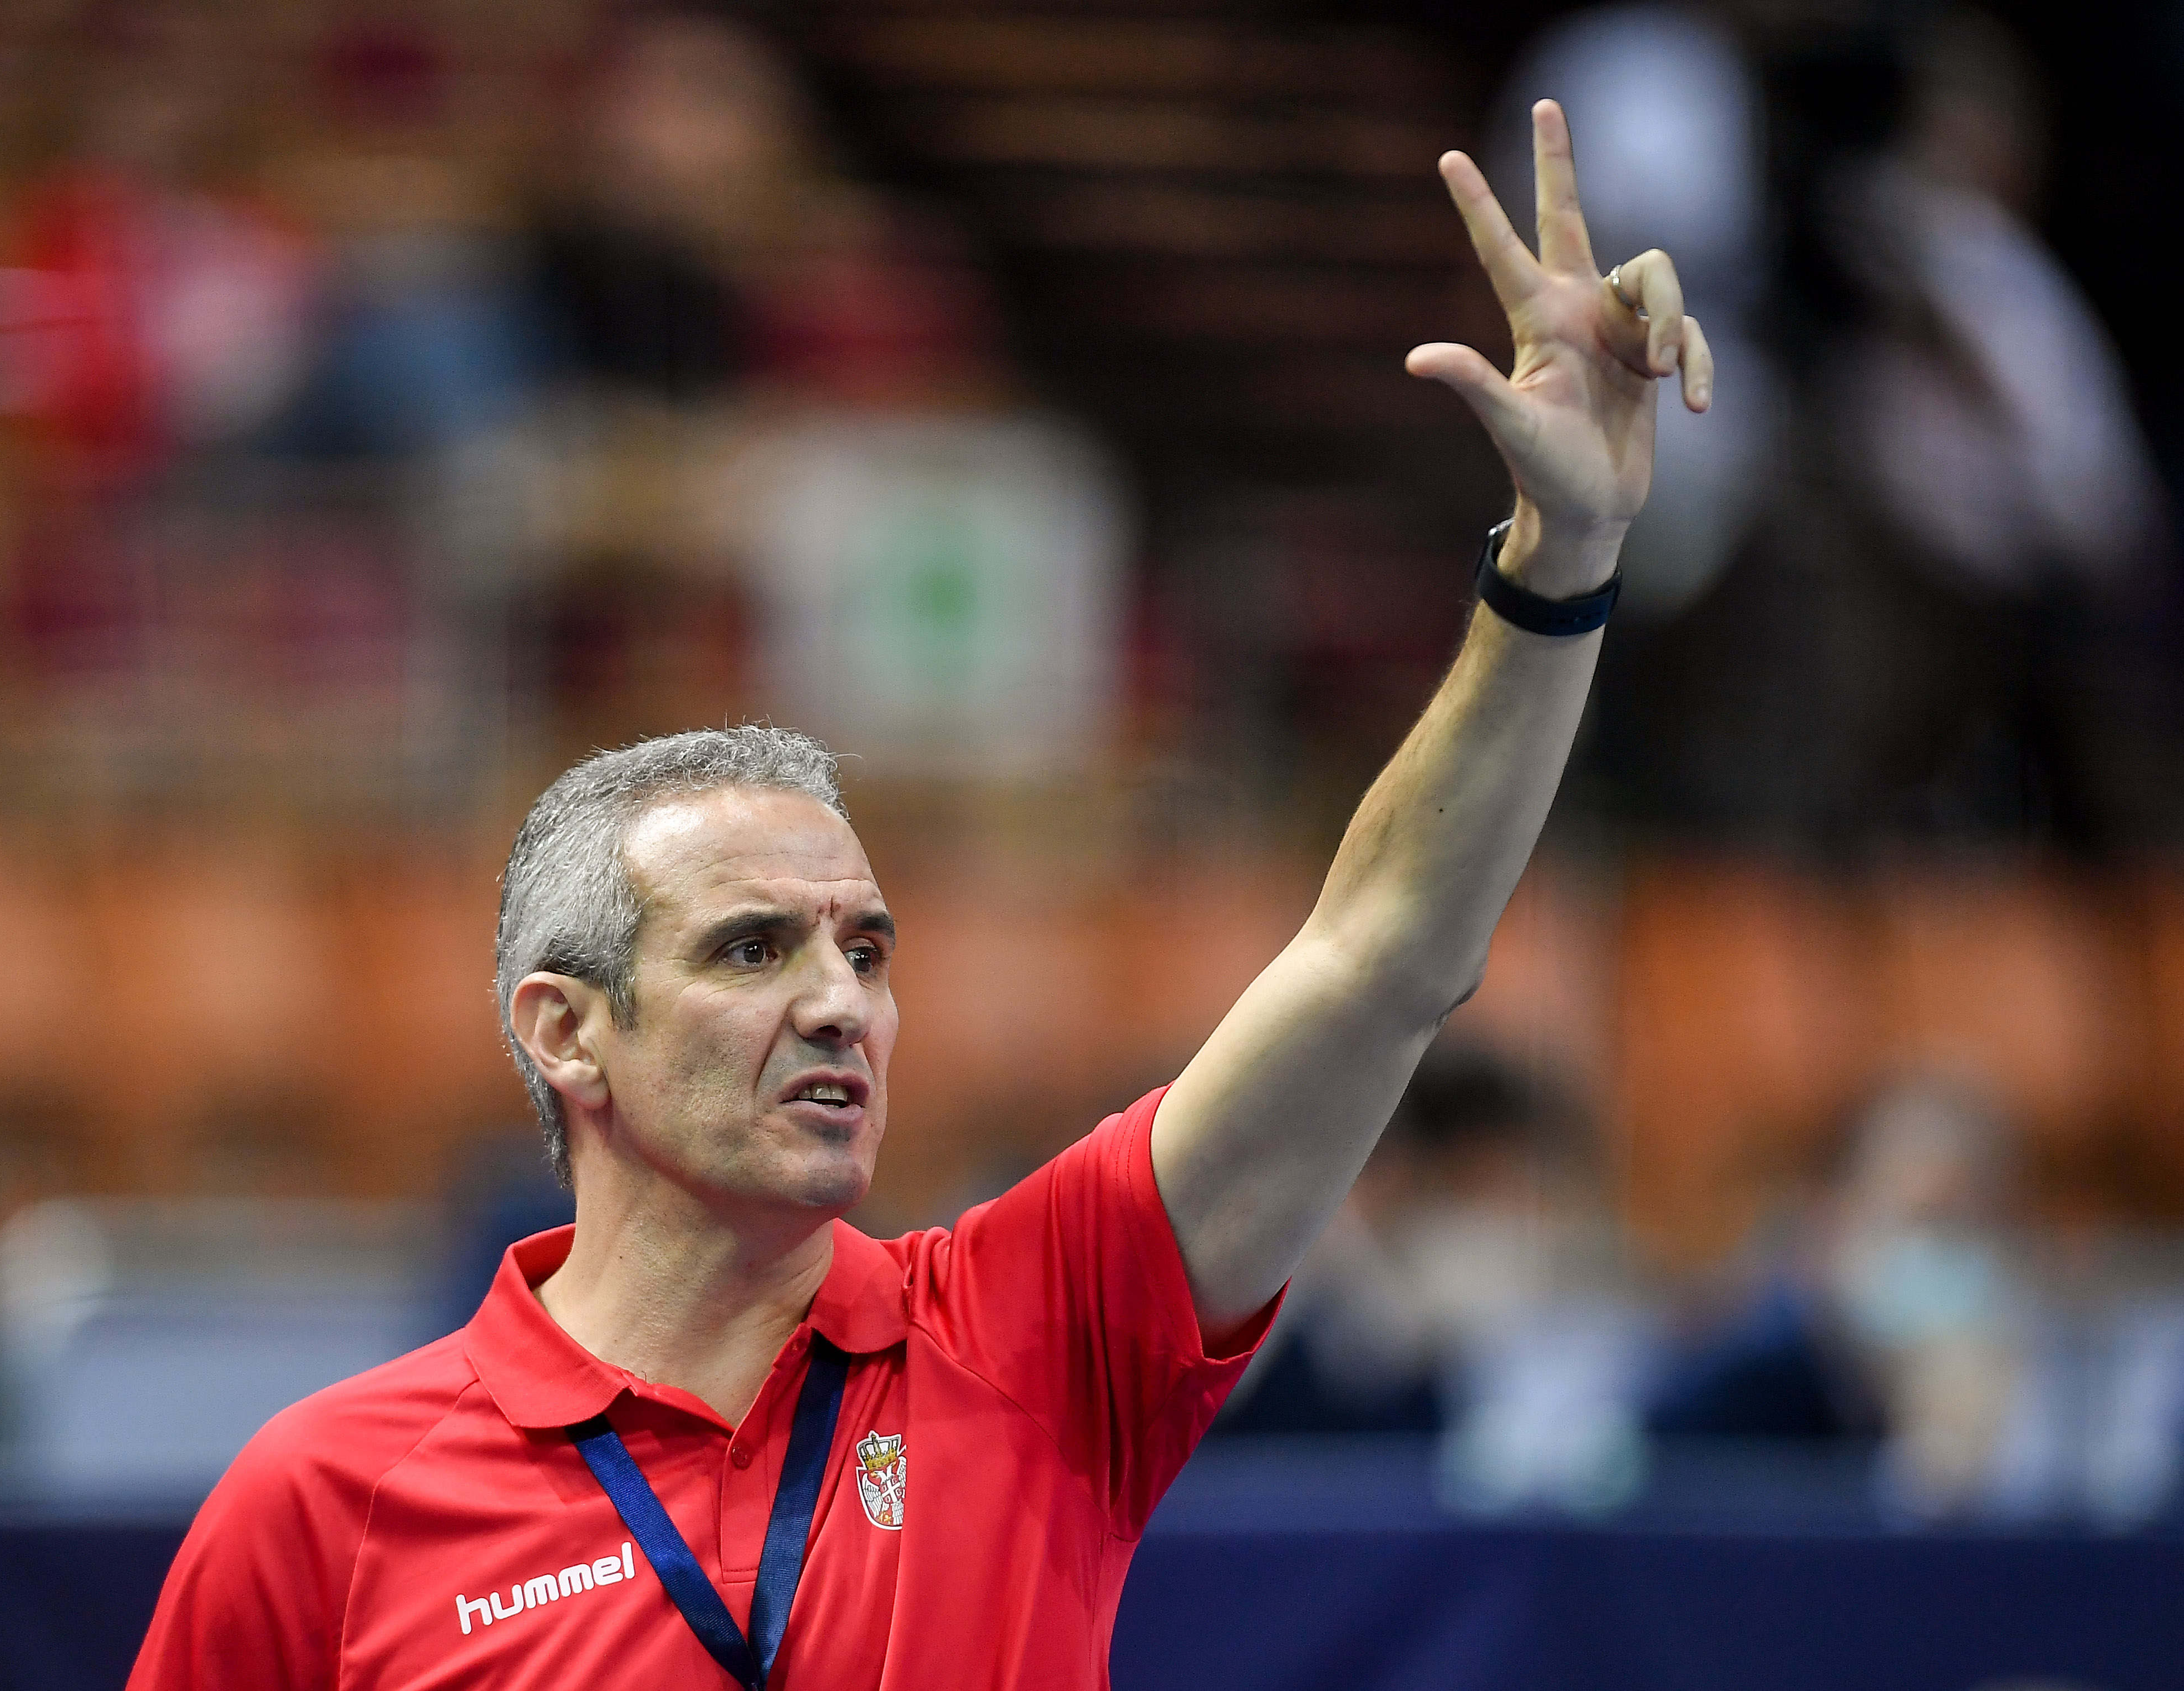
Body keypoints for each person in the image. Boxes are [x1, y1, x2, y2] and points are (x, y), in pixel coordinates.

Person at [126, 101, 1713, 1690]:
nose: (838, 999)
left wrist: (1558, 559)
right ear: (566, 1032)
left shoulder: (1035, 1333)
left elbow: (1381, 958)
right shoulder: (326, 1507)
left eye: (864, 948)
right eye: (751, 947)